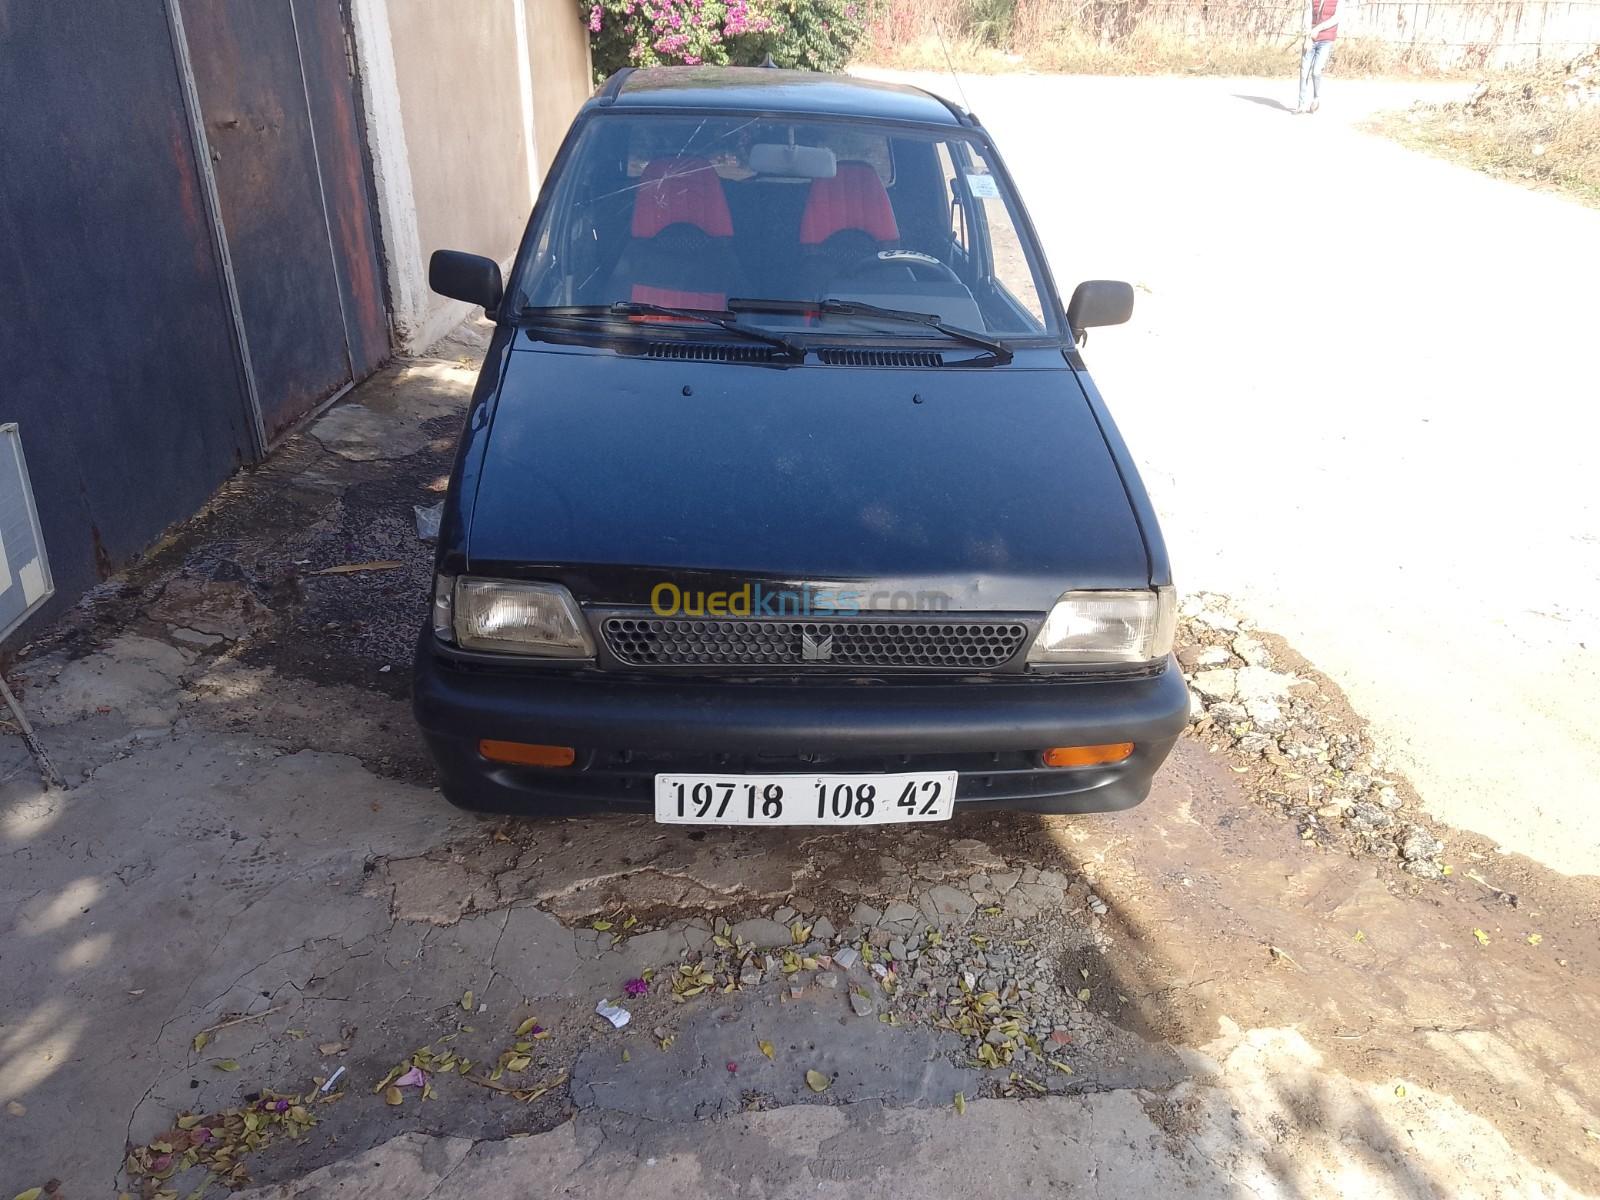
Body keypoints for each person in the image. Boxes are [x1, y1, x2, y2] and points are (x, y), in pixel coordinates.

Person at [1296, 0, 1343, 114]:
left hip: (1325, 40)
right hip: (1311, 38)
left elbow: (1336, 18)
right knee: (1304, 70)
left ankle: (1316, 99)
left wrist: (1318, 28)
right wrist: (1308, 36)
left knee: (1316, 71)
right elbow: (1307, 15)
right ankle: (1301, 105)